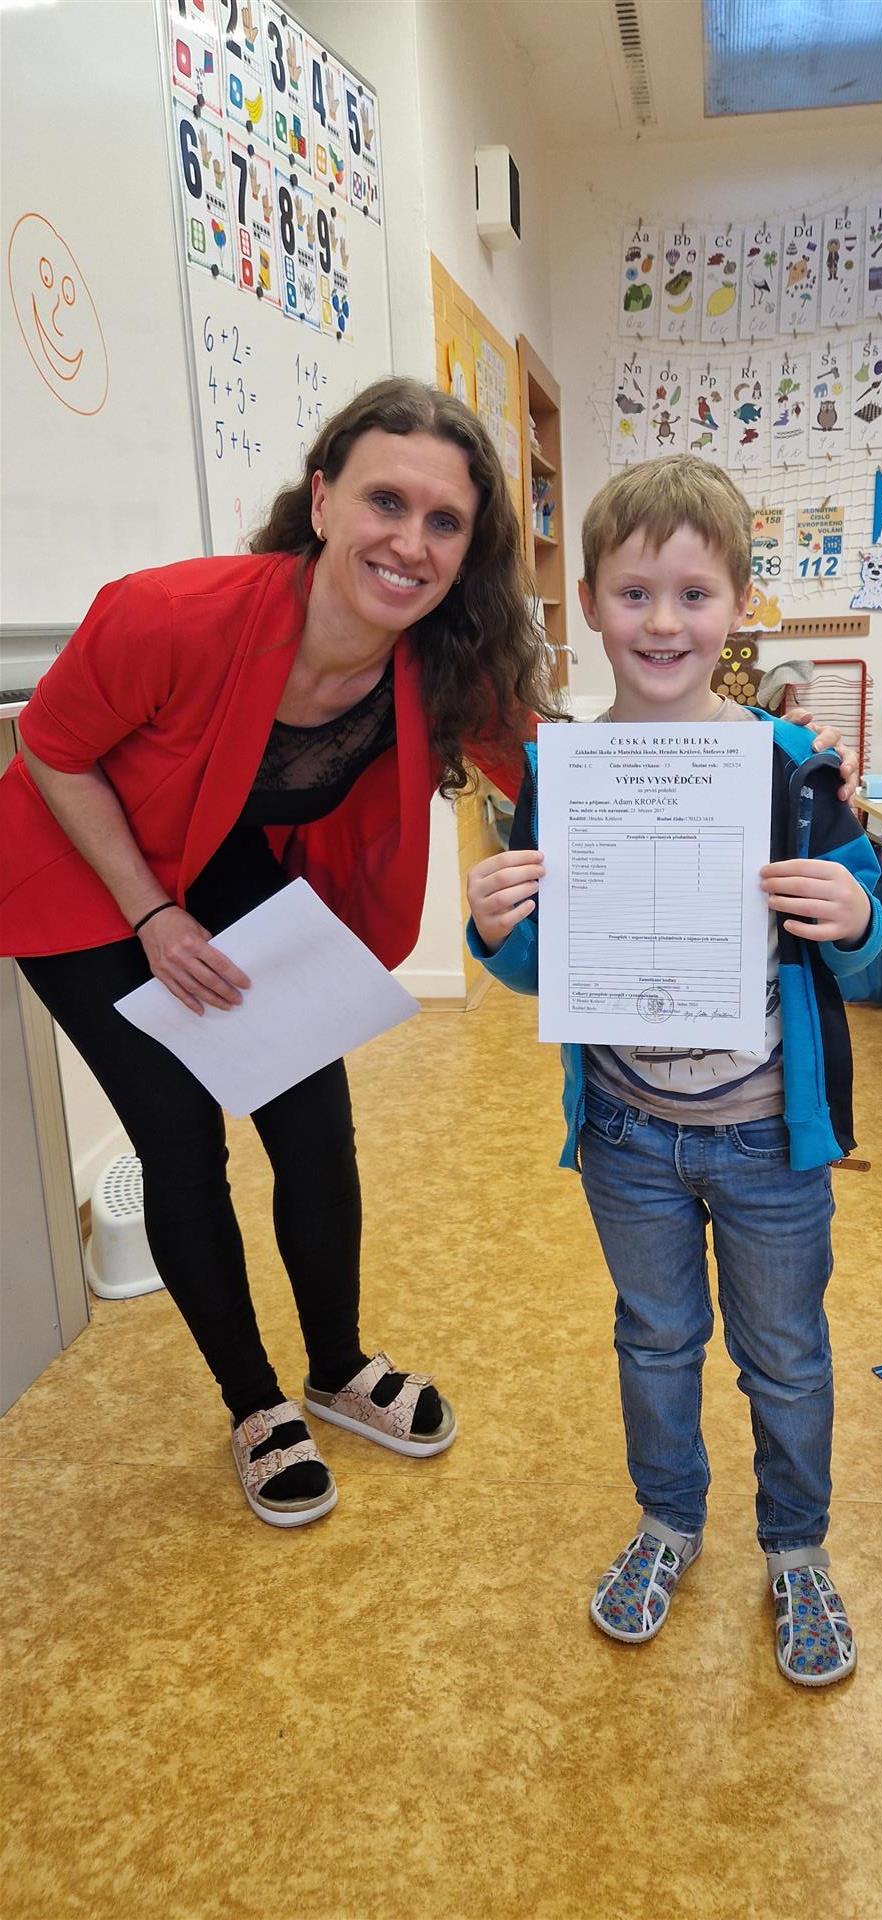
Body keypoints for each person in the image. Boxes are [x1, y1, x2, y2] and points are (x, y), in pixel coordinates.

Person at [0, 377, 561, 1528]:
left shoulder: (446, 659)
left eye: (444, 521)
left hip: (214, 854)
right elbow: (52, 750)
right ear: (321, 500)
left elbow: (569, 773)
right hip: (78, 867)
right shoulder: (168, 613)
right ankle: (255, 1404)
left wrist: (766, 771)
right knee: (179, 1139)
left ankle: (337, 1367)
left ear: (468, 549)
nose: (409, 543)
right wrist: (151, 915)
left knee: (311, 1116)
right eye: (385, 502)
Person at [465, 455, 882, 1686]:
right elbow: (542, 967)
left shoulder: (791, 763)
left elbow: (864, 942)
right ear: (589, 605)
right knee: (654, 1341)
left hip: (766, 1135)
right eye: (634, 593)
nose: (663, 622)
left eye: (694, 594)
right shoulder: (560, 773)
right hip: (626, 1132)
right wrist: (494, 930)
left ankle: (795, 1547)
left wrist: (855, 916)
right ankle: (667, 1523)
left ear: (739, 607)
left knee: (784, 1353)